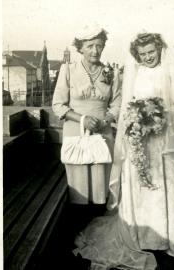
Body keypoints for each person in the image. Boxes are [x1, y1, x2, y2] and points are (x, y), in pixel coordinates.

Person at [73, 32, 174, 270]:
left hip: (162, 139)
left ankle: (163, 239)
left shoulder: (170, 70)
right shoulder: (136, 72)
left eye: (151, 53)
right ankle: (138, 236)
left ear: (159, 49)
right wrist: (137, 121)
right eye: (143, 54)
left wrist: (156, 114)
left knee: (162, 184)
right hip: (138, 138)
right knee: (137, 186)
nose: (147, 58)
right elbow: (127, 104)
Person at [52, 24, 122, 224]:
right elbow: (58, 105)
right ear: (80, 48)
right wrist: (82, 119)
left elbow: (117, 103)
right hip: (76, 132)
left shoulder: (111, 73)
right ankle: (77, 234)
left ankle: (96, 234)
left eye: (99, 46)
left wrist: (105, 120)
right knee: (79, 187)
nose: (95, 50)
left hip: (102, 133)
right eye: (90, 46)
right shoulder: (68, 70)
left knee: (101, 186)